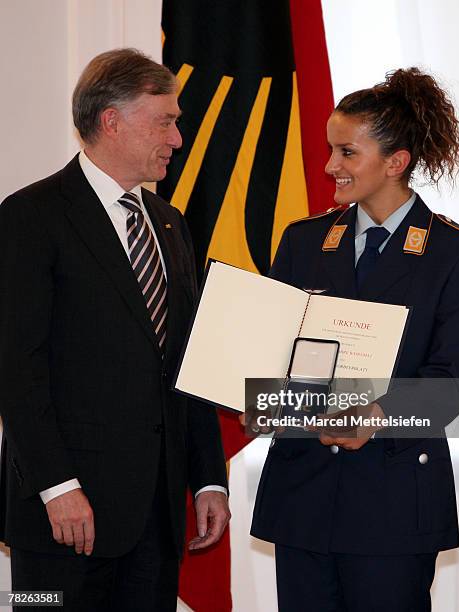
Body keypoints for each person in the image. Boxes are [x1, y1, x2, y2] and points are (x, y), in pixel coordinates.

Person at [250, 67, 459, 611]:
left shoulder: (455, 253)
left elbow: (455, 378)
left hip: (393, 499)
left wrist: (377, 415)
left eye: (346, 153)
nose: (330, 165)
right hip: (304, 496)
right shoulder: (304, 240)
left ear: (395, 162)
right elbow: (273, 354)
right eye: (330, 150)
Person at [0, 48, 230, 611]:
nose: (177, 138)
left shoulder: (171, 224)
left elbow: (187, 362)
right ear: (112, 121)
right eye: (166, 121)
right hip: (63, 518)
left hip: (154, 522)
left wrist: (208, 480)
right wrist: (58, 486)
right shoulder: (31, 215)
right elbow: (15, 365)